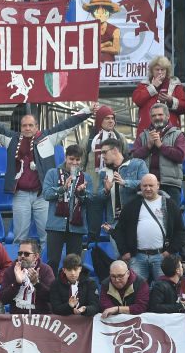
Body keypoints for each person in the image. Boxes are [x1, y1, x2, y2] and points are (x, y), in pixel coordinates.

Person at [0, 102, 93, 249]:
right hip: (21, 195)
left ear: (37, 126)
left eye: (30, 125)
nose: (27, 128)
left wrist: (88, 110)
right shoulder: (11, 139)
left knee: (47, 236)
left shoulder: (48, 138)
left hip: (43, 196)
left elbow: (68, 124)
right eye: (24, 126)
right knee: (19, 237)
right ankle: (19, 263)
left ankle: (46, 264)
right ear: (20, 127)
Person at [112, 174, 185, 283]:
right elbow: (119, 230)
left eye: (151, 185)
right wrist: (124, 251)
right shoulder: (131, 205)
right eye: (145, 185)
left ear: (158, 186)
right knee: (136, 290)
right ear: (140, 187)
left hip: (162, 256)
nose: (148, 188)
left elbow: (180, 231)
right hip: (137, 257)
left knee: (164, 288)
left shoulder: (170, 204)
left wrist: (169, 251)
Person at [42, 144, 91, 272]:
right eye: (71, 159)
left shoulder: (86, 177)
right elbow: (46, 194)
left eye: (77, 159)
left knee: (74, 263)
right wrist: (62, 188)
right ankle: (51, 284)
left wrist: (82, 193)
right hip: (55, 224)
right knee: (53, 261)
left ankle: (72, 285)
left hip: (76, 226)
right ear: (65, 158)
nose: (74, 162)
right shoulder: (52, 173)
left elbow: (89, 201)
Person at [83, 105, 128, 243]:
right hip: (94, 191)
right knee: (93, 229)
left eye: (112, 118)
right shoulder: (88, 140)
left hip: (115, 191)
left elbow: (126, 161)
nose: (111, 121)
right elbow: (80, 164)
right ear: (99, 120)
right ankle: (93, 252)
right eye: (107, 118)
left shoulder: (120, 138)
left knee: (115, 227)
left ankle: (117, 254)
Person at [92, 138, 149, 243]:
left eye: (104, 152)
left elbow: (147, 185)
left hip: (135, 219)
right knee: (118, 253)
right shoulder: (103, 172)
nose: (102, 156)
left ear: (115, 150)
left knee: (135, 252)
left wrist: (125, 183)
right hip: (114, 222)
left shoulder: (137, 164)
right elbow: (99, 197)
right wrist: (106, 191)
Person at [132, 102, 185, 206]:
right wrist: (148, 146)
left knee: (171, 215)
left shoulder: (177, 134)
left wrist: (161, 146)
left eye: (160, 115)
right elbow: (133, 157)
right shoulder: (143, 135)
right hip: (147, 185)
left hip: (170, 184)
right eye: (154, 115)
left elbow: (180, 156)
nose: (157, 117)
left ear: (167, 116)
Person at [133, 57, 185, 133]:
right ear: (152, 71)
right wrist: (152, 87)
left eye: (162, 69)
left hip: (170, 133)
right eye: (157, 69)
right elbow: (137, 100)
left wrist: (171, 100)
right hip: (147, 133)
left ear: (167, 71)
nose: (160, 72)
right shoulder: (144, 84)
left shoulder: (174, 84)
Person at [0, 239, 54, 314]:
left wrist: (37, 284)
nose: (22, 256)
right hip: (17, 318)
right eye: (20, 253)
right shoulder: (11, 270)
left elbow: (51, 298)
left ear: (35, 256)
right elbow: (3, 299)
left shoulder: (46, 270)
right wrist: (17, 284)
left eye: (26, 254)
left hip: (41, 318)